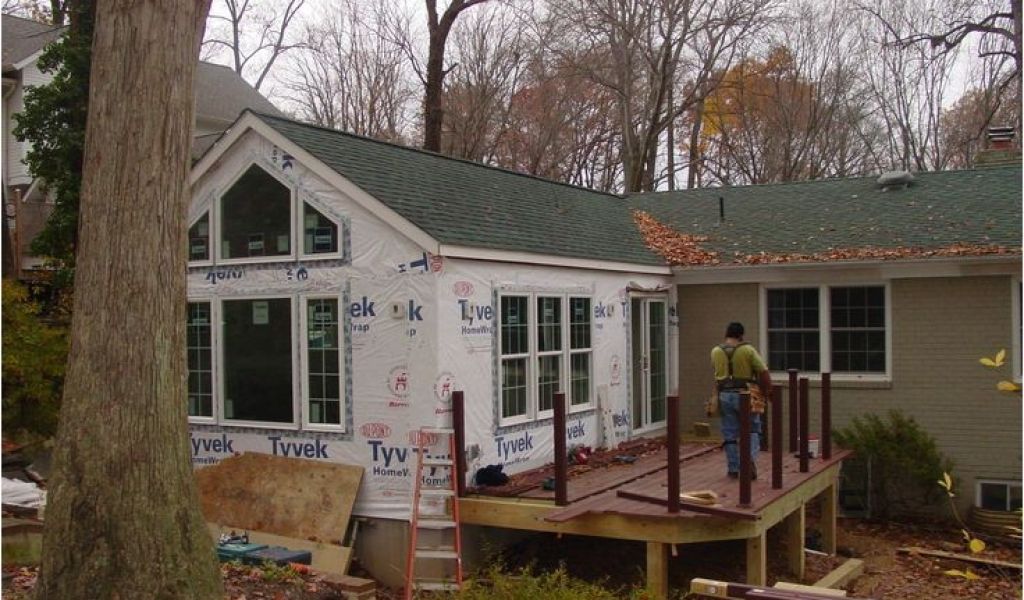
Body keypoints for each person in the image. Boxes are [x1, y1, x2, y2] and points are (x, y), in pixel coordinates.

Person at [710, 322, 771, 479]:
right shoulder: (748, 350)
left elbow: (717, 375)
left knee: (730, 432)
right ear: (741, 335)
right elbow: (763, 371)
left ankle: (733, 468)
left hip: (725, 395)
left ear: (726, 333)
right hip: (746, 394)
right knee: (752, 428)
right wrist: (766, 393)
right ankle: (748, 460)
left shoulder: (716, 351)